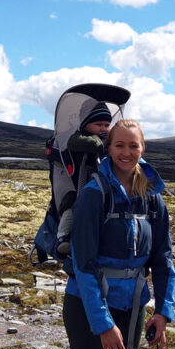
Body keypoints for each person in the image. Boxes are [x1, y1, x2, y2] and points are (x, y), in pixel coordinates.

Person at [63, 119, 175, 349]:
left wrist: (163, 312)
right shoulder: (94, 194)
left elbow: (163, 259)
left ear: (142, 148)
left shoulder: (152, 198)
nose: (126, 152)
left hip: (132, 305)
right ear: (109, 148)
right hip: (86, 305)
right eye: (119, 145)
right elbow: (84, 264)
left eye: (133, 145)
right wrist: (103, 324)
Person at [55, 101, 112, 257]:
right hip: (76, 185)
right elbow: (78, 143)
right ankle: (64, 237)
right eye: (98, 124)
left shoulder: (104, 138)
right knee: (70, 205)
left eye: (107, 125)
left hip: (96, 184)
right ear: (85, 123)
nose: (104, 129)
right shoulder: (77, 137)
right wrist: (102, 143)